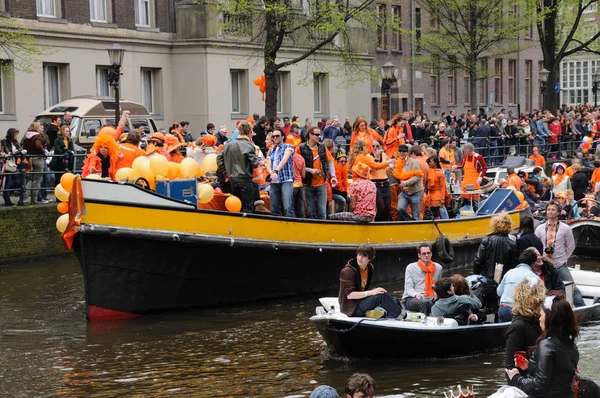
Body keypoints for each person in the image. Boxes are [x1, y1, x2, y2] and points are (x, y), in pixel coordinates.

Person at [506, 295, 579, 397]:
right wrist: (529, 367)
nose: (539, 319)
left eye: (541, 315)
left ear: (550, 317)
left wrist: (516, 378)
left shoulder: (546, 346)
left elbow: (539, 385)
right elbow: (556, 377)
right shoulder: (572, 346)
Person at [534, 201, 584, 307]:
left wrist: (564, 258)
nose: (550, 212)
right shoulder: (539, 228)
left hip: (559, 264)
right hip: (544, 264)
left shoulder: (565, 228)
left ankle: (582, 307)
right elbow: (536, 247)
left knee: (572, 287)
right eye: (548, 210)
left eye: (553, 210)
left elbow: (570, 246)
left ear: (558, 212)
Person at [338, 244, 406, 319]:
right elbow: (350, 295)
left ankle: (400, 313)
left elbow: (366, 288)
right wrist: (371, 292)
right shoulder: (348, 271)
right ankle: (402, 316)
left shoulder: (369, 268)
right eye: (359, 255)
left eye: (364, 256)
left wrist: (374, 291)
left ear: (369, 259)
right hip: (351, 308)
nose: (360, 258)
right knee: (380, 297)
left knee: (389, 296)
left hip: (361, 301)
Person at [216, 120, 259, 213]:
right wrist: (258, 158)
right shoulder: (248, 146)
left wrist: (226, 171)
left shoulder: (228, 145)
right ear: (249, 132)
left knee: (237, 206)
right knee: (247, 207)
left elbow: (219, 160)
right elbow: (255, 163)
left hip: (233, 179)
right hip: (245, 180)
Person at [504, 279, 546, 370]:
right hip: (527, 381)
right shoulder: (518, 327)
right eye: (541, 300)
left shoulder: (539, 322)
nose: (543, 302)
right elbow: (510, 367)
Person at [297, 127, 338, 219]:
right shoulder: (300, 148)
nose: (319, 137)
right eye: (317, 134)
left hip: (321, 184)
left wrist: (333, 176)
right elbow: (297, 166)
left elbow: (330, 162)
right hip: (307, 184)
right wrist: (310, 170)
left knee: (322, 212)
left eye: (320, 134)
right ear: (310, 135)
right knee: (311, 212)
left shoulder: (322, 147)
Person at [496, 248, 541, 322]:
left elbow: (499, 292)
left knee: (503, 332)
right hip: (519, 311)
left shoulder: (509, 272)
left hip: (504, 308)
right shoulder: (534, 277)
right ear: (533, 263)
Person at [472, 212, 519, 280]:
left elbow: (478, 260)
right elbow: (515, 264)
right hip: (504, 279)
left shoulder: (486, 240)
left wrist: (476, 275)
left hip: (487, 277)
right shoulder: (512, 244)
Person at [402, 244, 443, 315]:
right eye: (424, 253)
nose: (426, 255)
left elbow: (438, 285)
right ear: (419, 255)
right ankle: (426, 322)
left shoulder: (438, 267)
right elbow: (408, 288)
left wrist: (436, 293)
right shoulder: (411, 267)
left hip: (430, 296)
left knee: (445, 300)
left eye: (428, 253)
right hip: (411, 298)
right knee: (424, 302)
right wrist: (416, 294)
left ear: (431, 254)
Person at [266, 129, 294, 217]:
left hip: (286, 179)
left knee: (287, 206)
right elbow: (268, 164)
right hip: (274, 181)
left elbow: (284, 159)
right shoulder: (272, 150)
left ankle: (291, 226)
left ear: (282, 136)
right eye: (273, 136)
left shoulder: (288, 146)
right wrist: (272, 173)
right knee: (274, 208)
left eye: (277, 136)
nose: (275, 138)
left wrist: (276, 171)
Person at [393, 144, 424, 221]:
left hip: (415, 192)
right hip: (404, 192)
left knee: (416, 216)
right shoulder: (397, 163)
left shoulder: (414, 162)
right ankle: (409, 222)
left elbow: (418, 177)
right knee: (400, 209)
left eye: (403, 151)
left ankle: (415, 228)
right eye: (400, 151)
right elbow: (397, 176)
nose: (401, 153)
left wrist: (406, 182)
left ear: (407, 152)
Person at [453, 142, 488, 210]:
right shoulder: (465, 157)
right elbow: (461, 165)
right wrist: (456, 166)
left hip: (474, 182)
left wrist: (480, 177)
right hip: (465, 182)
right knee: (464, 200)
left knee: (474, 202)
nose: (463, 152)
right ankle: (463, 215)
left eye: (464, 151)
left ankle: (476, 215)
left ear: (468, 150)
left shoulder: (478, 157)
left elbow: (485, 168)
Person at [20, 122, 46, 205]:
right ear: (36, 128)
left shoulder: (26, 136)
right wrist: (43, 152)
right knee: (37, 179)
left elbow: (22, 145)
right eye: (39, 127)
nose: (40, 128)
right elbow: (38, 145)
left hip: (30, 158)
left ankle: (25, 197)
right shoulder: (37, 136)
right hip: (38, 158)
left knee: (30, 178)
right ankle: (34, 200)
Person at [1, 128, 23, 206]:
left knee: (17, 181)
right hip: (8, 164)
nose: (17, 136)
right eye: (16, 134)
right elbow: (8, 152)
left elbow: (20, 149)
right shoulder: (4, 142)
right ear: (11, 134)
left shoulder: (15, 142)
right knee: (8, 182)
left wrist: (17, 152)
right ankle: (7, 201)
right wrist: (16, 152)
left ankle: (9, 194)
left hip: (14, 164)